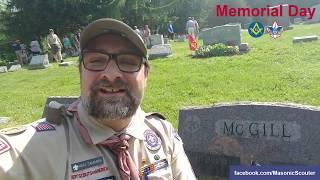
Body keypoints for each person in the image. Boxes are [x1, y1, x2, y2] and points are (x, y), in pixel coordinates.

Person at [0, 18, 196, 180]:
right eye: (96, 61)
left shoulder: (163, 134)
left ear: (145, 76)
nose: (111, 75)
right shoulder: (34, 149)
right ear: (80, 73)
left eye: (128, 61)